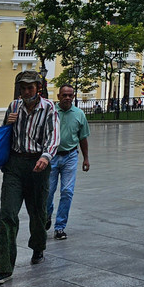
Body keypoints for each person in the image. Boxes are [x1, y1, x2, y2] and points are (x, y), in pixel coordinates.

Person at [0, 71, 60, 287]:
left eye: (30, 87)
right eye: (23, 87)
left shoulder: (48, 108)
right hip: (15, 166)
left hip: (38, 165)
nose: (26, 91)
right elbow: (4, 135)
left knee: (37, 212)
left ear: (38, 87)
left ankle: (38, 246)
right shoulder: (14, 107)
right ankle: (4, 268)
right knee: (7, 214)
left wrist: (46, 157)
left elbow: (53, 135)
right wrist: (7, 122)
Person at [46, 84, 90, 241]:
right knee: (48, 191)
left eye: (70, 95)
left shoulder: (79, 114)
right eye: (64, 95)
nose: (67, 98)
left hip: (70, 156)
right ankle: (47, 215)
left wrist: (86, 158)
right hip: (51, 157)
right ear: (58, 96)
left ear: (73, 97)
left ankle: (60, 227)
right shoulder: (50, 112)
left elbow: (83, 137)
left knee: (67, 191)